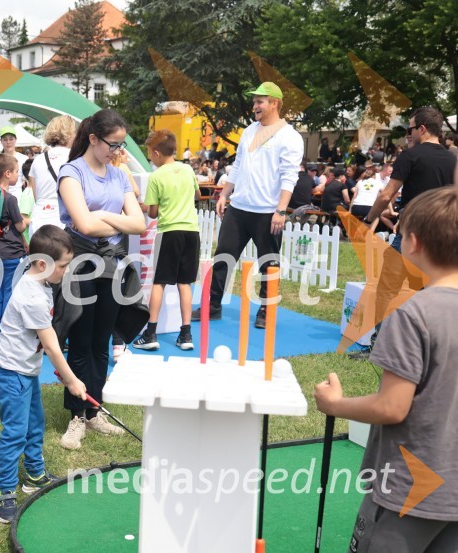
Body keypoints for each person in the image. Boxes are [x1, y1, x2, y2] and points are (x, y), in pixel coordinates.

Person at [315, 187, 458, 553]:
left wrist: (335, 404)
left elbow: (392, 407)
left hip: (411, 489)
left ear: (412, 243)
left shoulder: (414, 313)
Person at [56, 108, 145, 450]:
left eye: (122, 145)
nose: (118, 152)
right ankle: (77, 415)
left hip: (111, 264)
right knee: (79, 340)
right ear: (93, 139)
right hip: (79, 262)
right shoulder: (71, 172)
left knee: (101, 342)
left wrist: (104, 215)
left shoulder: (120, 175)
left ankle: (95, 410)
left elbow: (138, 224)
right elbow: (84, 225)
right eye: (114, 144)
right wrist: (111, 221)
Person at [0, 225, 86, 524]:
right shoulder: (32, 295)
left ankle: (34, 474)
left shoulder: (40, 282)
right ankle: (6, 491)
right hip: (11, 371)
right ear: (43, 264)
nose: (66, 271)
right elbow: (52, 345)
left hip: (25, 368)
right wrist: (71, 380)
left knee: (36, 424)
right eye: (63, 266)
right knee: (15, 431)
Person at [192, 82, 304, 329]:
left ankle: (266, 309)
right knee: (222, 257)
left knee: (269, 262)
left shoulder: (290, 136)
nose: (254, 106)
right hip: (239, 208)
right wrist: (224, 195)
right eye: (254, 101)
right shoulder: (249, 131)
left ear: (274, 103)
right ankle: (213, 305)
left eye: (259, 101)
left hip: (268, 212)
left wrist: (281, 210)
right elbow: (238, 165)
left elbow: (289, 176)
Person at [356, 106, 456, 356]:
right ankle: (430, 349)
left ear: (422, 129)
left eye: (410, 129)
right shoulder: (453, 158)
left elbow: (386, 194)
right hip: (443, 237)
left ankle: (378, 345)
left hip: (412, 235)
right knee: (434, 293)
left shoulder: (409, 156)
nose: (408, 134)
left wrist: (369, 220)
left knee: (386, 289)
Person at [132, 129, 200, 352]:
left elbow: (152, 213)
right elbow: (197, 195)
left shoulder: (157, 177)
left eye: (150, 153)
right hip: (191, 231)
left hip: (169, 232)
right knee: (184, 283)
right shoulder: (188, 169)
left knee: (159, 282)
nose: (150, 157)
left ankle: (150, 333)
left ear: (157, 153)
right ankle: (186, 334)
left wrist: (144, 207)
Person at [0, 153, 27, 346]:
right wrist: (26, 221)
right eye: (17, 171)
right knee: (9, 292)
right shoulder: (10, 199)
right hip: (10, 252)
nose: (18, 175)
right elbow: (20, 226)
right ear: (7, 173)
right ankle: (7, 330)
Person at [27, 115, 75, 236]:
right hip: (64, 220)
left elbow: (36, 195)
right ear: (69, 133)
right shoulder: (75, 157)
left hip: (39, 219)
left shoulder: (37, 160)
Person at [0, 126, 28, 201]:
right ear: (1, 141)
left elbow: (30, 183)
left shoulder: (24, 159)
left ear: (16, 140)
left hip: (18, 201)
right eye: (5, 139)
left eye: (11, 139)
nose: (8, 142)